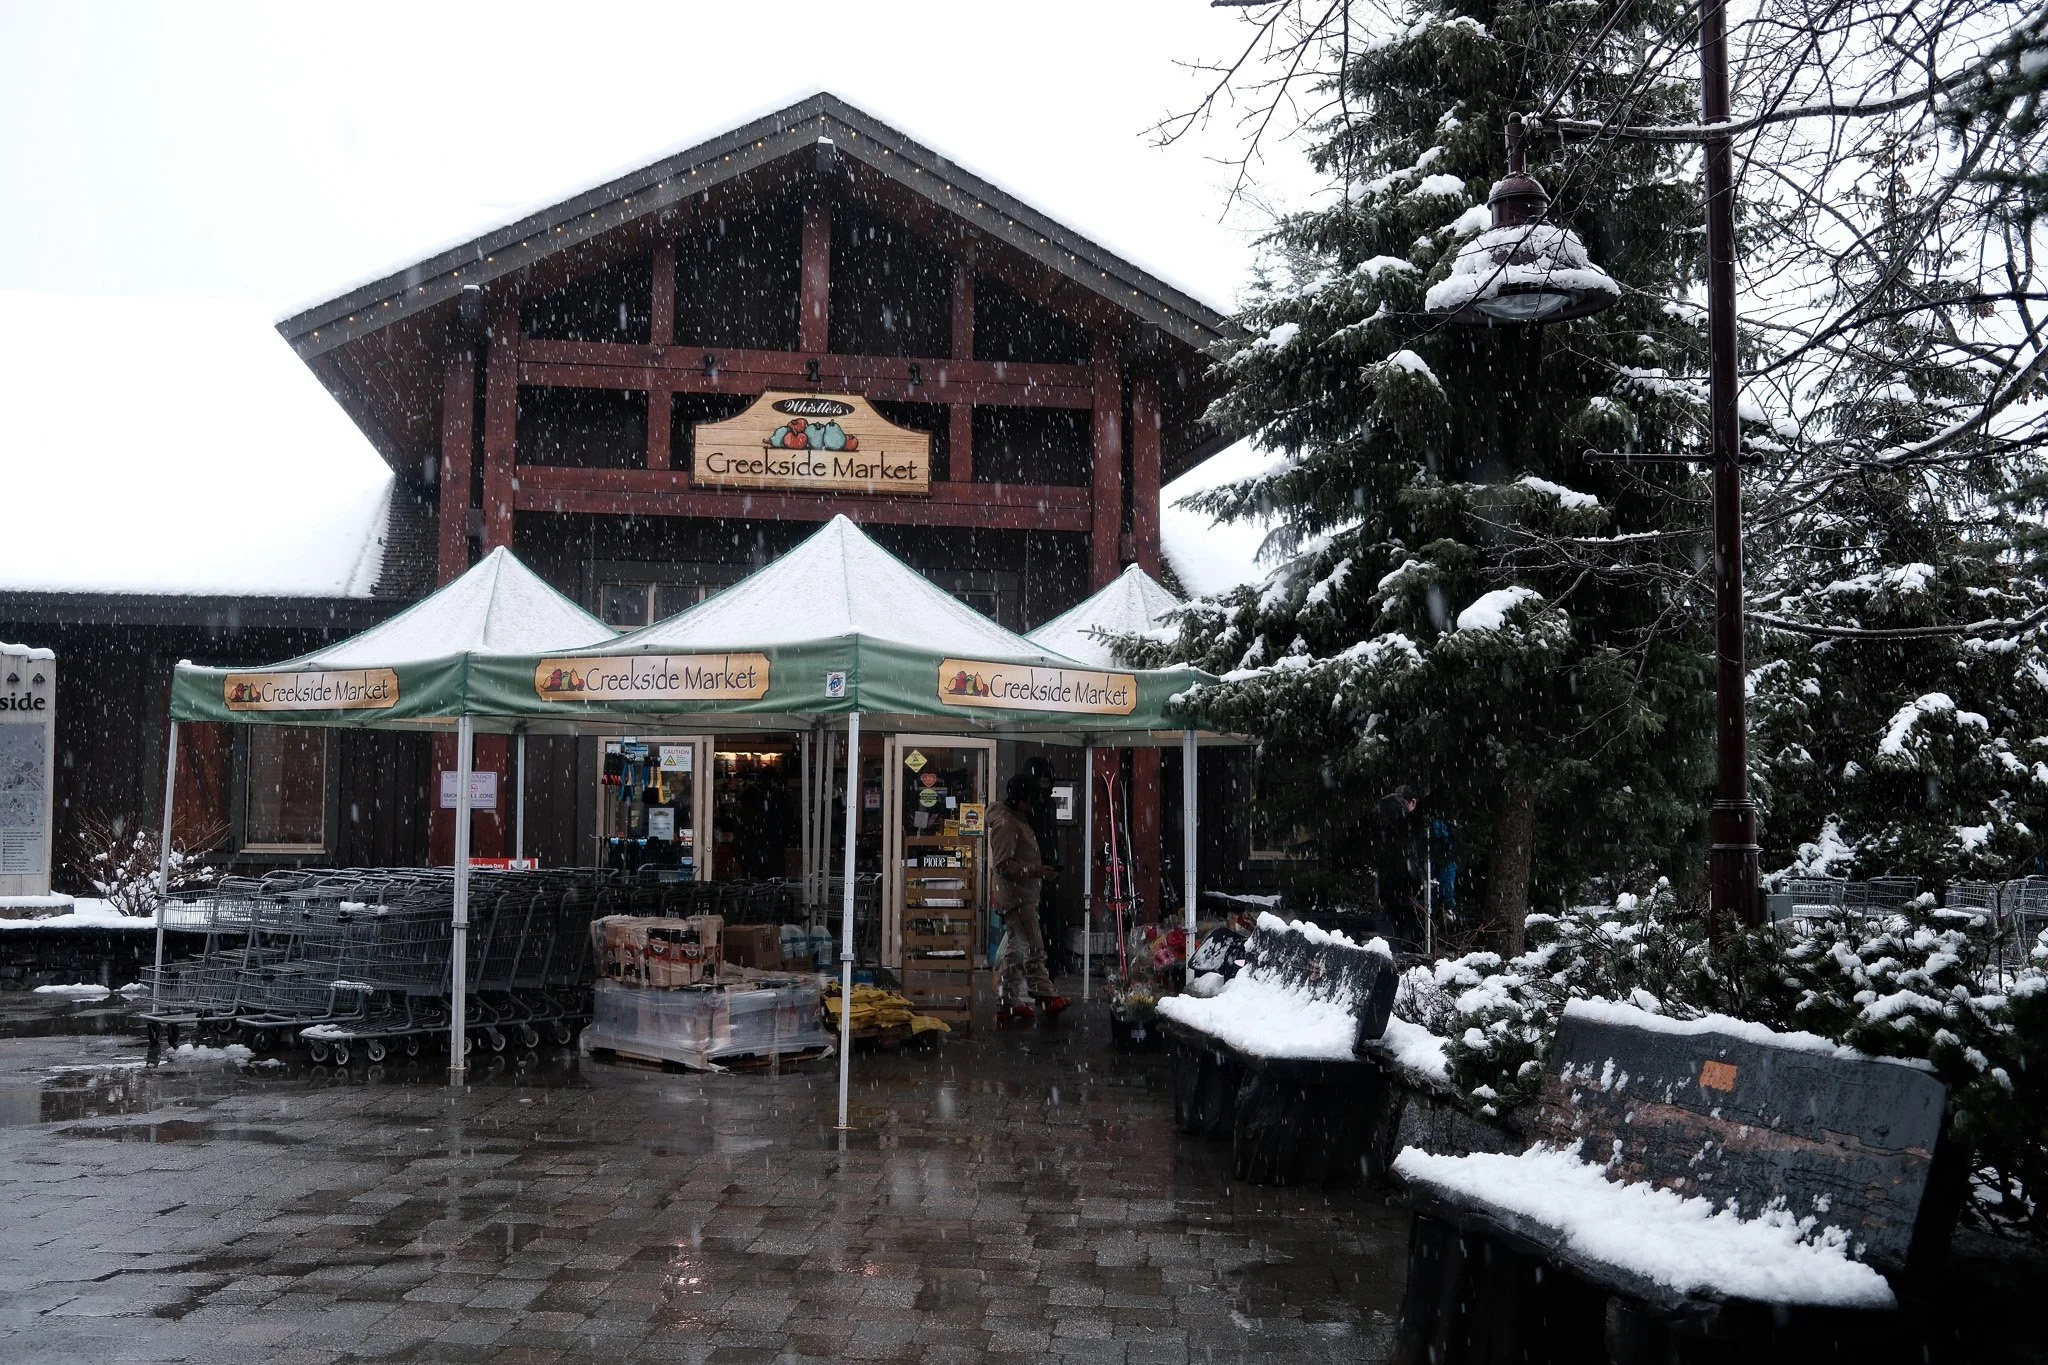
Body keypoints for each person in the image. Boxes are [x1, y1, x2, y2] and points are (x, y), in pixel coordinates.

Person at [986, 772, 1068, 1026]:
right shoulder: (1007, 824)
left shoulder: (1012, 817)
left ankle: (1007, 1002)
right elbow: (1003, 865)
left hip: (1022, 894)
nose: (1032, 806)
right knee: (1033, 947)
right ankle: (1045, 993)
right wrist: (1034, 871)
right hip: (1018, 897)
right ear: (1020, 798)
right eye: (1030, 800)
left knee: (1015, 952)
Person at [1024, 755, 1067, 976]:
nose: (1045, 785)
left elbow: (1049, 839)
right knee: (1034, 930)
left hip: (1045, 873)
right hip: (1030, 875)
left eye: (1047, 781)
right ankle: (1041, 975)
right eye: (1040, 781)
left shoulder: (1047, 804)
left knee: (1047, 927)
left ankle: (1048, 974)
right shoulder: (1025, 807)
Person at [1375, 785, 1423, 945]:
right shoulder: (1409, 829)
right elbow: (1410, 864)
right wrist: (1416, 886)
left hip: (1392, 890)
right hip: (1403, 892)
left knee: (1392, 937)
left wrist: (1381, 892)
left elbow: (1383, 865)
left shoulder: (1387, 829)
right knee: (1406, 937)